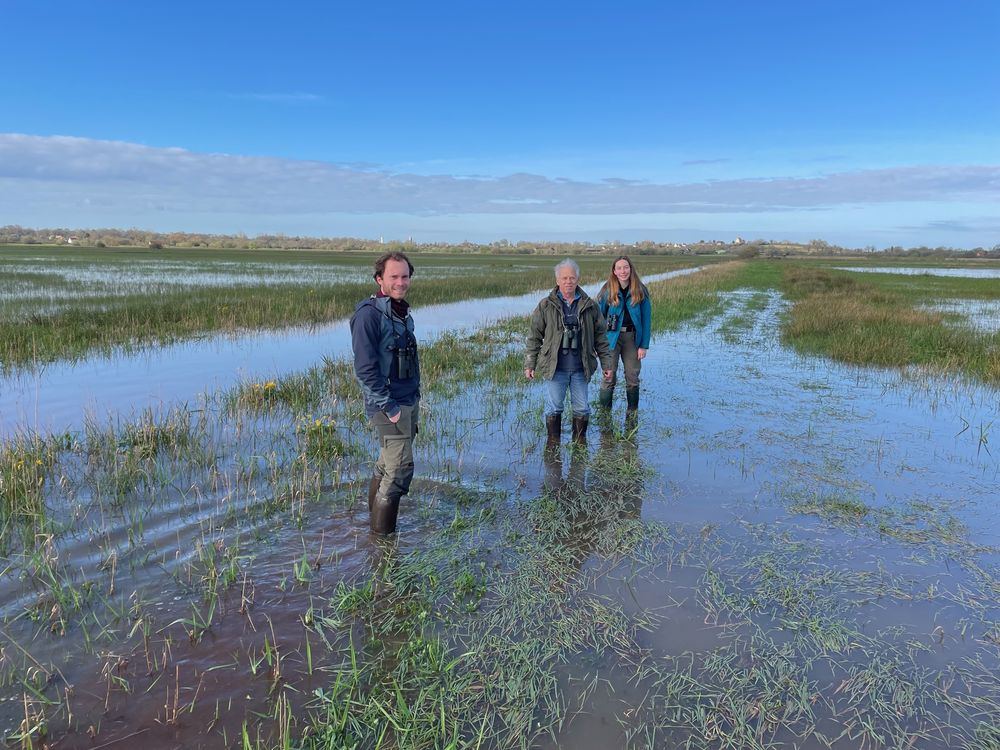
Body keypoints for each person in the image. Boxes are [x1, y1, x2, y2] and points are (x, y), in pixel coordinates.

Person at [350, 251, 420, 535]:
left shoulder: (401, 311)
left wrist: (416, 397)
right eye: (394, 276)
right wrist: (390, 407)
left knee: (386, 464)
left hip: (408, 400)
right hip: (389, 406)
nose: (400, 282)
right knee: (400, 470)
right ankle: (382, 542)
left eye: (404, 276)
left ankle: (372, 522)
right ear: (380, 279)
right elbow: (365, 370)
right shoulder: (368, 315)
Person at [524, 259, 614, 445]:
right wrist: (530, 364)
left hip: (581, 368)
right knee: (554, 408)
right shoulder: (546, 305)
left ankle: (579, 445)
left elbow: (601, 339)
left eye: (572, 278)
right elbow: (534, 337)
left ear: (578, 279)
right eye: (564, 278)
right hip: (555, 368)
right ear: (557, 280)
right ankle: (553, 445)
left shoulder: (590, 305)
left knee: (582, 409)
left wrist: (607, 364)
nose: (568, 282)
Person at [596, 255, 651, 414]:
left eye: (625, 267)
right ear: (614, 271)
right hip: (611, 339)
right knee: (608, 376)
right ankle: (605, 416)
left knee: (633, 377)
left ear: (631, 269)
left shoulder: (640, 290)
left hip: (632, 339)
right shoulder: (607, 290)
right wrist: (597, 344)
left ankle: (632, 413)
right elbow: (598, 319)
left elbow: (646, 320)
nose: (623, 271)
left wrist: (643, 345)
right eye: (619, 268)